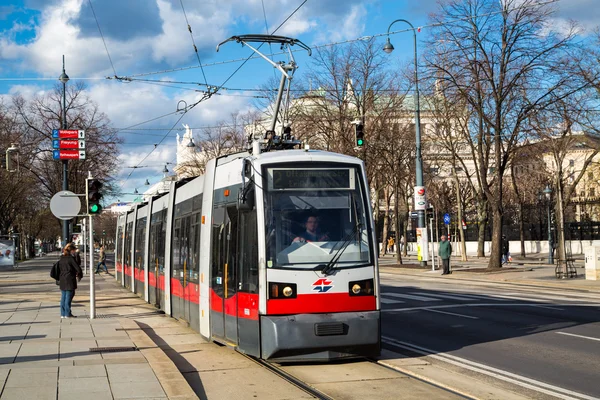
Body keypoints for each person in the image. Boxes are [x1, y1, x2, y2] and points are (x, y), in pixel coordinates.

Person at [59, 243, 83, 318]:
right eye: (74, 250)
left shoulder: (61, 258)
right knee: (68, 297)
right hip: (69, 279)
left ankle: (63, 314)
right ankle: (67, 313)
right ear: (71, 251)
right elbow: (78, 268)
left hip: (62, 279)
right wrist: (78, 274)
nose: (74, 252)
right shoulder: (71, 258)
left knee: (63, 296)